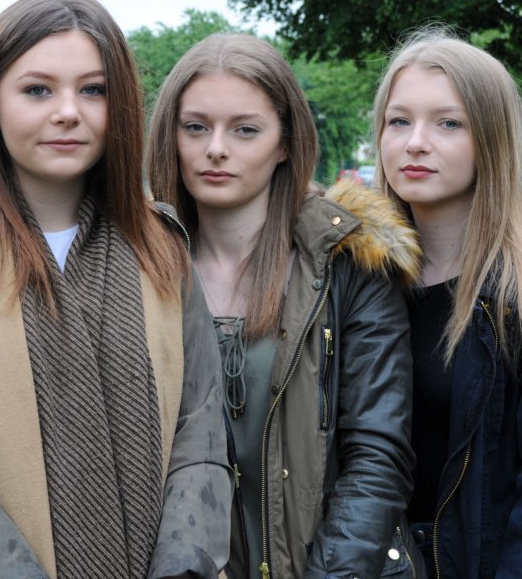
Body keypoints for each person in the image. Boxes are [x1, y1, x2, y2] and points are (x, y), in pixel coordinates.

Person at [0, 0, 232, 579]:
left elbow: (200, 436)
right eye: (38, 90)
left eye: (93, 90)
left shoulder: (161, 246)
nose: (69, 111)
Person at [147, 33, 422, 578]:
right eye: (196, 127)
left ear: (285, 143)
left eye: (245, 129)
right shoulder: (135, 266)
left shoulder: (348, 263)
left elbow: (377, 456)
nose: (216, 148)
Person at [373, 28, 522, 579]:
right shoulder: (351, 280)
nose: (415, 142)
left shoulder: (511, 298)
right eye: (399, 121)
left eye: (448, 123)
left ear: (492, 139)